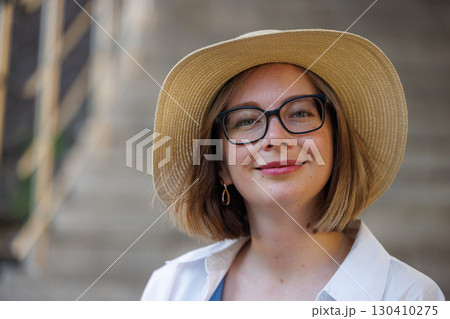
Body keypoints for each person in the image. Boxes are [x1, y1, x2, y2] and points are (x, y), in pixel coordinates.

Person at [140, 29, 445, 301]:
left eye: (299, 113)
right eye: (247, 120)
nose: (276, 138)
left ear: (337, 145)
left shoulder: (410, 297)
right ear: (221, 167)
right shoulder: (169, 291)